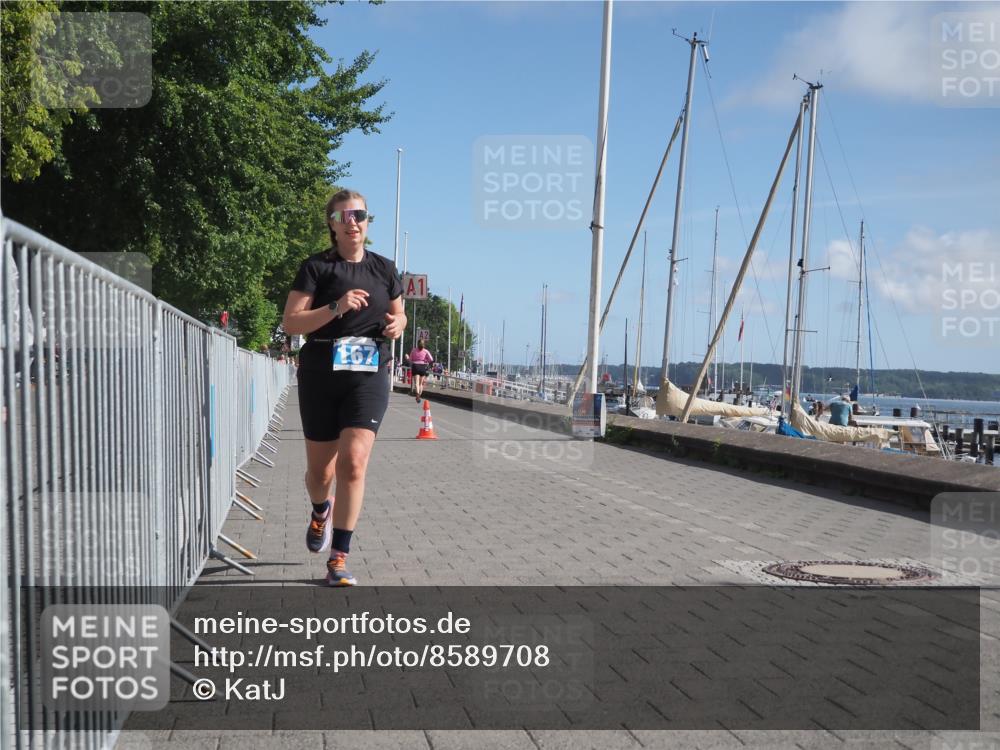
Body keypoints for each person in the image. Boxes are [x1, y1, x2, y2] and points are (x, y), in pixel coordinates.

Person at [282, 189, 406, 586]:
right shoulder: (317, 268)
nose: (352, 221)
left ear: (368, 222)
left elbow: (398, 312)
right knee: (321, 473)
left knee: (353, 462)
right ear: (332, 225)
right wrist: (336, 307)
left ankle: (339, 558)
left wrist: (397, 325)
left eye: (359, 215)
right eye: (343, 216)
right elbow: (291, 322)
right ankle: (321, 510)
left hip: (368, 375)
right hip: (320, 373)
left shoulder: (385, 269)